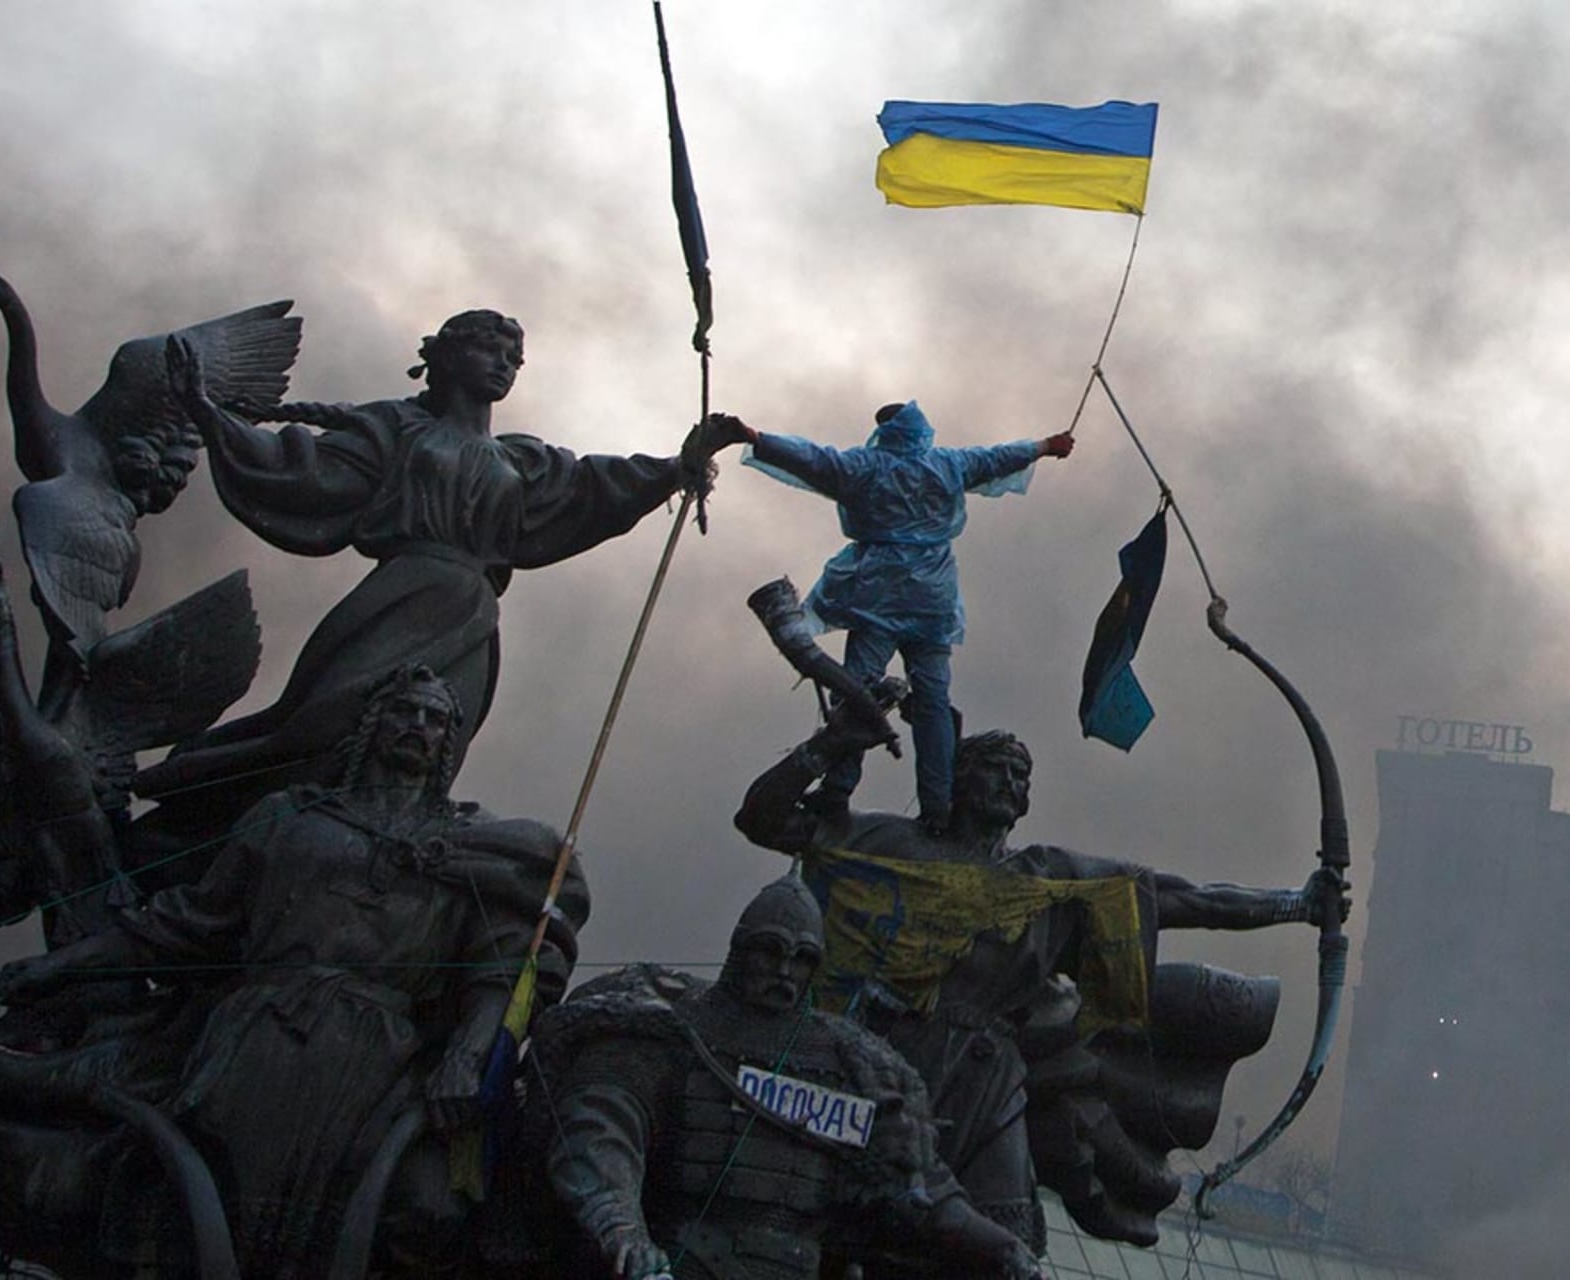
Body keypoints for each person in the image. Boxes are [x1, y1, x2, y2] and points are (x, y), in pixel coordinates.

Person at [0, 666, 591, 1279]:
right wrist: (64, 965)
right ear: (371, 726)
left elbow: (506, 963)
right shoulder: (289, 820)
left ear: (449, 746)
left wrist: (470, 1050)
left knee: (430, 1211)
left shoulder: (476, 850)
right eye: (403, 711)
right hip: (252, 1038)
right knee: (170, 1185)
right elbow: (193, 922)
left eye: (434, 720)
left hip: (379, 1067)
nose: (418, 728)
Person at [734, 709, 1348, 1262]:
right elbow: (762, 818)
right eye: (994, 770)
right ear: (954, 777)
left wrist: (1295, 904)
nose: (1009, 783)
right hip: (881, 1062)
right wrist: (830, 743)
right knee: (841, 1223)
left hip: (986, 1080)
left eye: (1019, 776)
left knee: (1005, 1244)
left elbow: (1184, 898)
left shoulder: (1048, 881)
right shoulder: (885, 843)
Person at [135, 310, 744, 819]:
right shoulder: (393, 430)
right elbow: (304, 471)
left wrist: (677, 465)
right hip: (402, 594)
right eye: (491, 349)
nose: (506, 363)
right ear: (446, 357)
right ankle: (193, 799)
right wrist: (208, 413)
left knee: (429, 748)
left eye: (515, 357)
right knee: (320, 727)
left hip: (473, 615)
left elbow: (590, 487)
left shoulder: (522, 458)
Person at [537, 875, 1043, 1280]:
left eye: (801, 958)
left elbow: (918, 1184)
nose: (784, 970)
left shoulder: (853, 1067)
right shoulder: (671, 1032)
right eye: (770, 950)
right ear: (741, 950)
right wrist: (622, 1229)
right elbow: (600, 1133)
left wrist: (1001, 1246)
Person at [735, 401, 1074, 828]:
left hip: (876, 597)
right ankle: (939, 806)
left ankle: (838, 788)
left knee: (856, 689)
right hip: (932, 602)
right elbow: (998, 457)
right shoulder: (949, 465)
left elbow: (811, 458)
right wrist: (1046, 445)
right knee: (933, 701)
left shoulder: (863, 467)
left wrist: (755, 438)